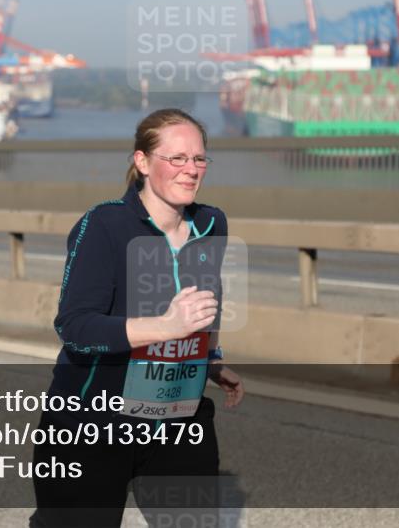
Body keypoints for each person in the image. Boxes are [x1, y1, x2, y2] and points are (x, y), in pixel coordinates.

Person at [29, 108, 244, 528]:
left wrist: (210, 357)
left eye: (199, 159)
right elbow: (75, 329)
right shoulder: (105, 224)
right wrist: (165, 327)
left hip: (178, 419)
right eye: (176, 158)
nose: (191, 170)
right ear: (142, 162)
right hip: (90, 424)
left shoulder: (211, 223)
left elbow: (202, 300)